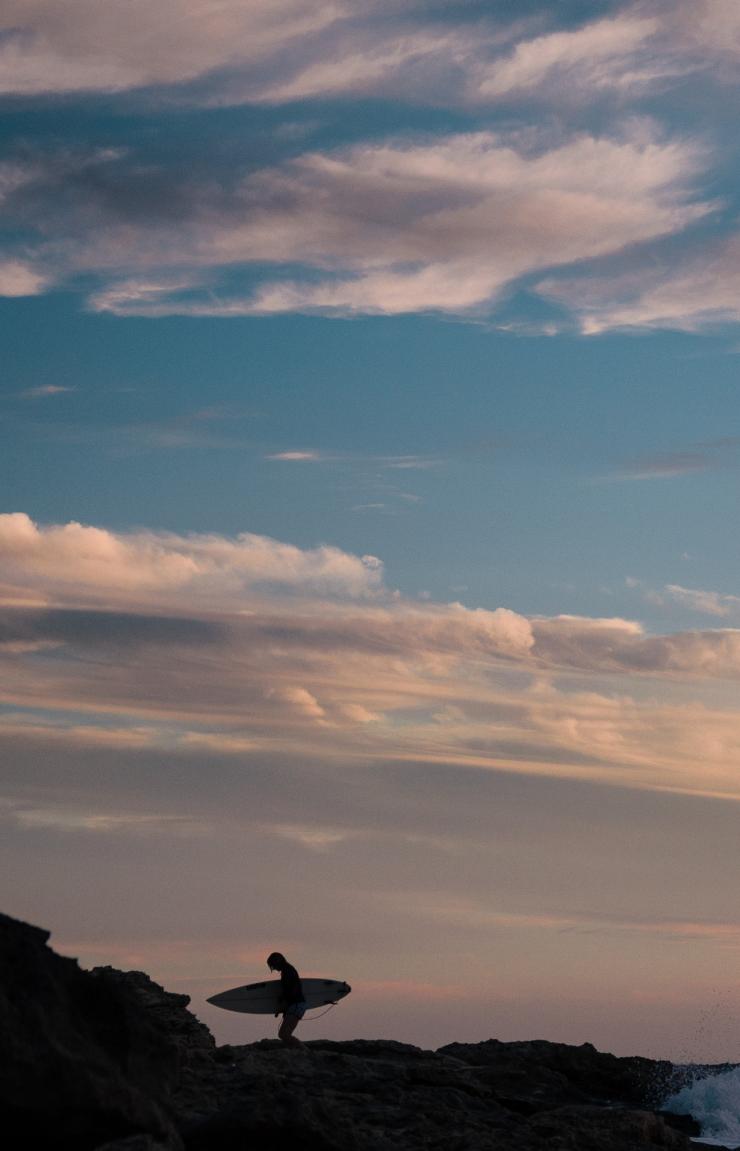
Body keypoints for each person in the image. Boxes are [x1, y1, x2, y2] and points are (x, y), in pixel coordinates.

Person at [267, 951, 307, 1047]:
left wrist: (283, 999)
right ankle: (298, 1051)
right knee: (283, 1035)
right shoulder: (287, 970)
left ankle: (305, 1051)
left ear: (278, 962)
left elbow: (291, 991)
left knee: (284, 1034)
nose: (275, 969)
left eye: (274, 966)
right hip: (295, 1005)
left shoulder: (287, 971)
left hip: (297, 1005)